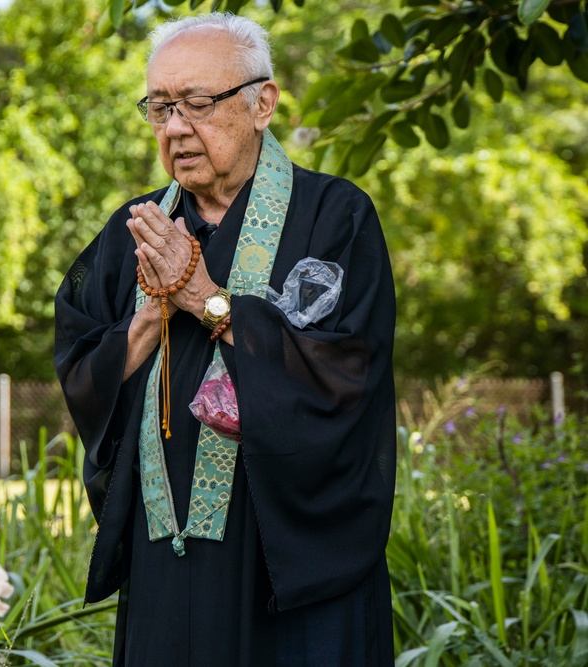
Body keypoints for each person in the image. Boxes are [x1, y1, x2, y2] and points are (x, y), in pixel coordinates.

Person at [54, 12, 396, 667]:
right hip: (167, 562)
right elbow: (80, 362)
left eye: (197, 104)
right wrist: (148, 320)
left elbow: (346, 377)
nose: (176, 127)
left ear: (263, 102)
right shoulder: (137, 230)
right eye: (159, 108)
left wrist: (206, 299)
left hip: (287, 574)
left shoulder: (334, 216)